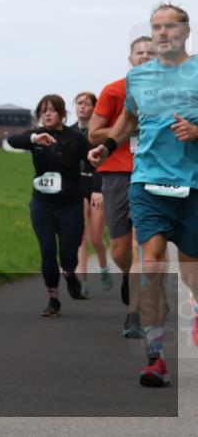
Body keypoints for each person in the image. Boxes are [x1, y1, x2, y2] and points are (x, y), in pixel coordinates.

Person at [89, 3, 197, 388]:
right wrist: (108, 145)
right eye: (156, 27)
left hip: (194, 184)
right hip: (148, 181)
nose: (163, 33)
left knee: (191, 271)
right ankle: (156, 358)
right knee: (150, 262)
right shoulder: (138, 78)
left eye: (170, 26)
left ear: (185, 32)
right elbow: (128, 120)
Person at [88, 36, 158, 338]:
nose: (145, 56)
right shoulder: (114, 90)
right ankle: (128, 275)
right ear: (131, 59)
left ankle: (135, 315)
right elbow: (94, 134)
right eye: (139, 53)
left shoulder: (170, 92)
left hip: (154, 173)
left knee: (141, 246)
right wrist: (131, 125)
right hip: (117, 174)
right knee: (120, 249)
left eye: (150, 52)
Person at [8, 95, 92, 317]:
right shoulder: (36, 135)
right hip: (42, 203)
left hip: (70, 203)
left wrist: (97, 187)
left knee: (68, 254)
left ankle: (70, 274)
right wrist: (35, 139)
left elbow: (94, 161)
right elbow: (12, 141)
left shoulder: (75, 138)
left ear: (63, 114)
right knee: (47, 250)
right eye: (43, 110)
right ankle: (53, 299)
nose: (47, 114)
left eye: (52, 110)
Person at [72, 91, 110, 296]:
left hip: (96, 187)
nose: (83, 107)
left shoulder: (99, 134)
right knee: (81, 237)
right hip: (76, 187)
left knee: (96, 238)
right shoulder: (68, 131)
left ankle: (104, 267)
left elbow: (103, 163)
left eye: (87, 104)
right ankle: (82, 282)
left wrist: (97, 189)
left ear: (95, 109)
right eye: (79, 103)